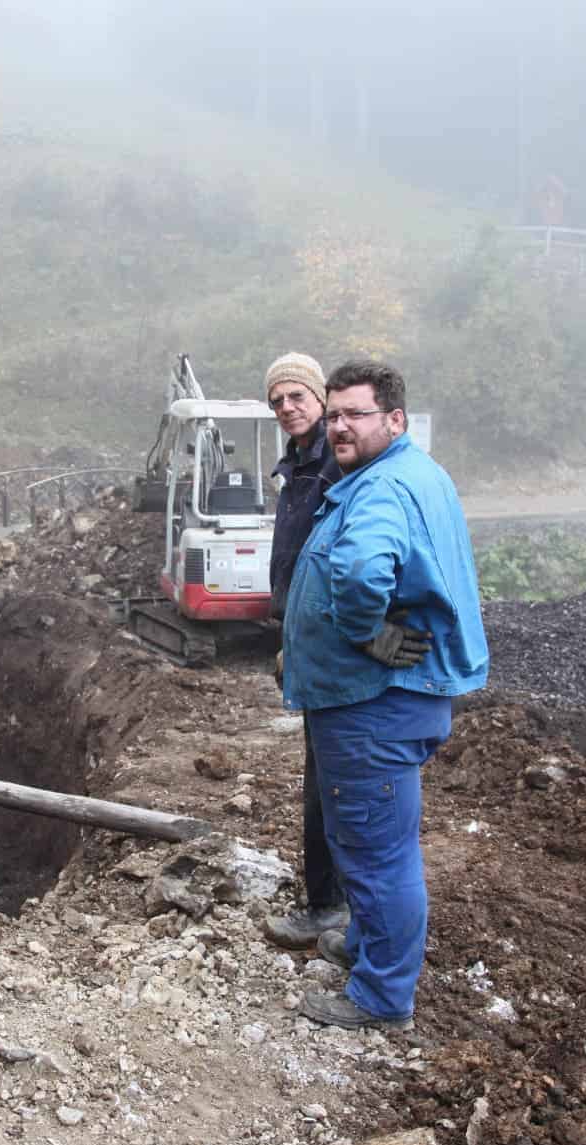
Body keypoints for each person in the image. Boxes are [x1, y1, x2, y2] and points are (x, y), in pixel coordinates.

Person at [280, 359, 488, 1030]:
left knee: (377, 851)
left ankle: (381, 997)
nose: (339, 426)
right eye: (333, 414)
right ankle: (369, 946)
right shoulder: (408, 474)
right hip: (390, 698)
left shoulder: (380, 491)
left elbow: (365, 569)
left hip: (374, 699)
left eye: (354, 414)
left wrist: (364, 634)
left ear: (394, 420)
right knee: (373, 839)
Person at [257, 352, 348, 950]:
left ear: (320, 398)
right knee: (324, 774)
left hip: (330, 641)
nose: (288, 408)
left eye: (297, 397)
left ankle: (329, 906)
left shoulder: (334, 467)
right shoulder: (295, 466)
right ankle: (332, 898)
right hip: (305, 634)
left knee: (331, 781)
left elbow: (343, 562)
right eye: (278, 401)